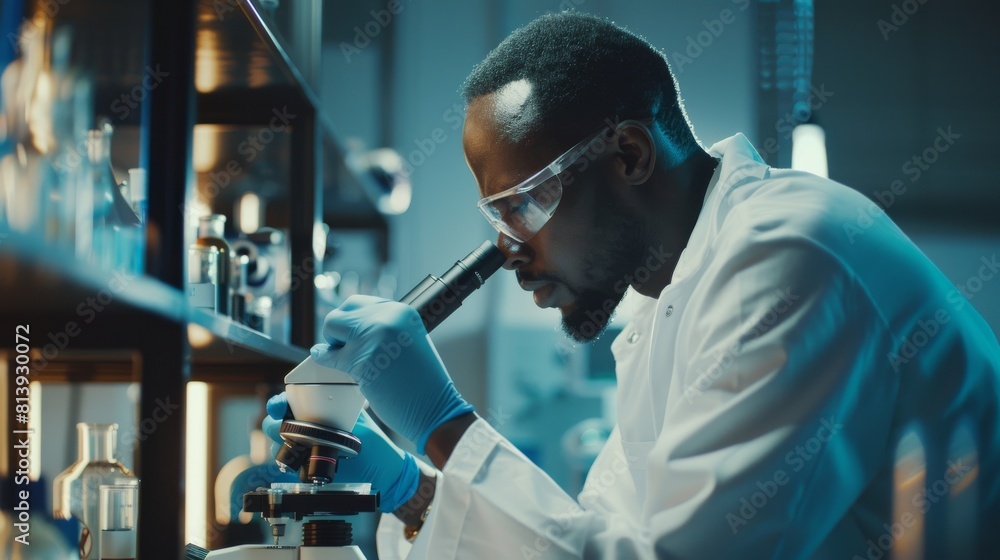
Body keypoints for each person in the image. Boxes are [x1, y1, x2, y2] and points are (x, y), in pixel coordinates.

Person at [264, 12, 1000, 559]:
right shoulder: (673, 299)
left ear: (630, 155)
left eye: (522, 203)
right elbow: (603, 540)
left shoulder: (785, 257)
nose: (507, 247)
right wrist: (412, 488)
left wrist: (444, 424)